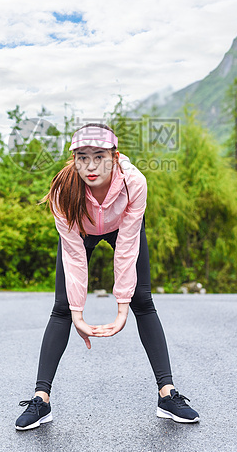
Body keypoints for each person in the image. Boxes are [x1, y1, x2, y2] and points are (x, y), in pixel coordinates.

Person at [15, 123, 199, 430]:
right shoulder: (63, 190)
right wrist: (78, 314)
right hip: (83, 230)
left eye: (99, 156)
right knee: (61, 308)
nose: (90, 166)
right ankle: (41, 399)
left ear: (114, 157)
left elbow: (126, 247)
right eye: (82, 157)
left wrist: (121, 308)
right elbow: (74, 257)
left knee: (143, 301)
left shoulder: (133, 182)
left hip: (121, 229)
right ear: (73, 159)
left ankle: (167, 395)